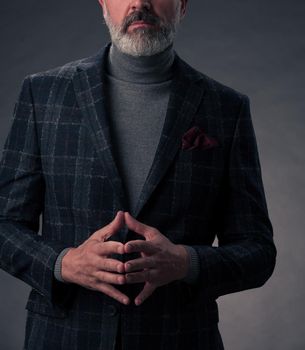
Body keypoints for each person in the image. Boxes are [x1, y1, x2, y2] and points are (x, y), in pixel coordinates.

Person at [0, 0, 277, 349]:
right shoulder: (43, 94)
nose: (139, 3)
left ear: (183, 5)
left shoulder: (226, 108)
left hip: (180, 339)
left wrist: (186, 263)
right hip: (64, 338)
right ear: (103, 3)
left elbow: (258, 252)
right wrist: (62, 264)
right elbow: (4, 224)